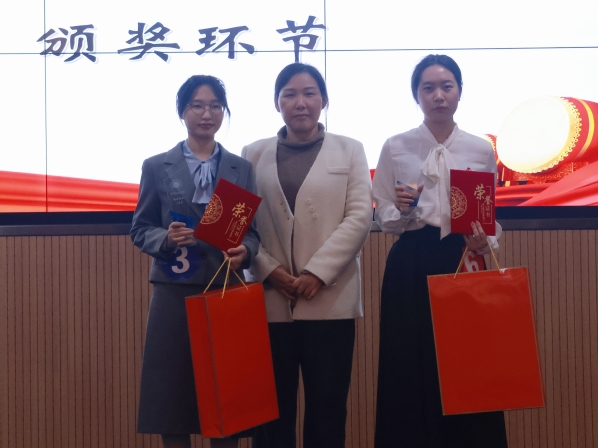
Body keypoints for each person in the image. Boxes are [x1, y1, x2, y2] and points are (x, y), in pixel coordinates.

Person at [372, 54, 508, 448]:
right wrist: (404, 209)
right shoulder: (396, 146)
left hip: (462, 257)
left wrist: (484, 240)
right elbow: (384, 215)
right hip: (411, 261)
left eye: (447, 86)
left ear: (460, 92)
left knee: (470, 364)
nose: (438, 95)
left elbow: (488, 215)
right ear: (416, 95)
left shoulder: (480, 149)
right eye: (428, 88)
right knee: (407, 361)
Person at [241, 63, 373, 448]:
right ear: (277, 103)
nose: (300, 103)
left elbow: (359, 217)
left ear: (324, 100)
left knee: (327, 412)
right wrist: (268, 269)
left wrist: (318, 272)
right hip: (270, 301)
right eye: (290, 94)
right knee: (270, 416)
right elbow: (240, 223)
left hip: (330, 301)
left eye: (310, 93)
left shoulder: (351, 149)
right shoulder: (252, 153)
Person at [130, 75, 259, 448]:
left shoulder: (240, 168)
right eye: (197, 105)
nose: (207, 114)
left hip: (224, 288)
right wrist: (165, 239)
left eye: (215, 106)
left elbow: (252, 234)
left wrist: (246, 251)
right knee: (171, 393)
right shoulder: (157, 166)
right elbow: (140, 228)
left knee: (226, 395)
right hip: (173, 292)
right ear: (182, 111)